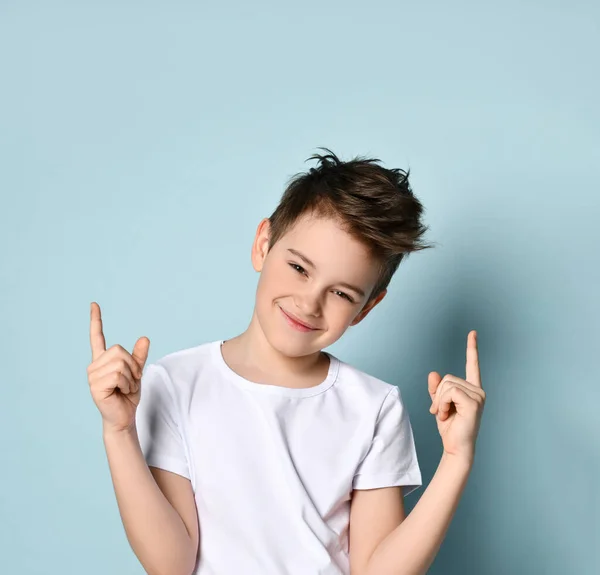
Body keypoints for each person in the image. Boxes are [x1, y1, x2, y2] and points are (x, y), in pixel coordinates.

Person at [87, 147, 486, 575]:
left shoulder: (374, 406)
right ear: (263, 245)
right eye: (298, 267)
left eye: (341, 293)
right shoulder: (175, 383)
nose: (309, 302)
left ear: (366, 308)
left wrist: (456, 459)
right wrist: (120, 430)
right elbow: (171, 565)